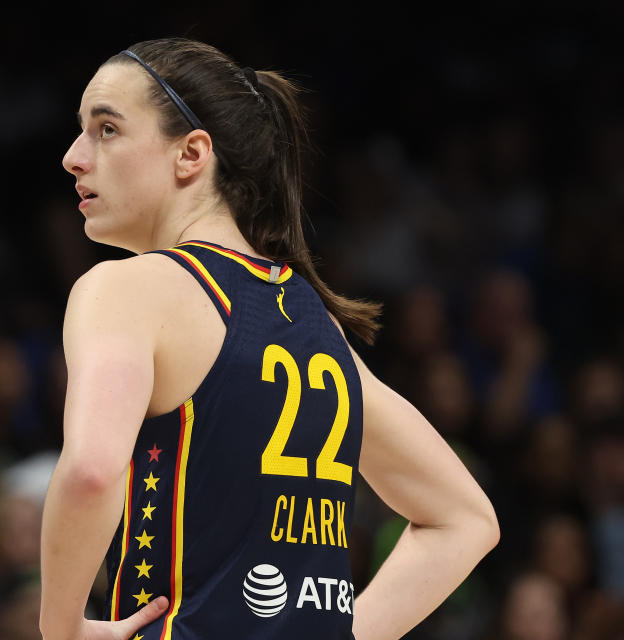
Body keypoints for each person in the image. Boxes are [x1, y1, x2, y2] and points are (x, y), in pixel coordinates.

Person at [39, 38, 499, 640]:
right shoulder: (315, 320)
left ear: (191, 153)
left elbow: (92, 471)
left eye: (106, 129)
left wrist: (60, 627)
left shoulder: (129, 289)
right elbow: (464, 519)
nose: (75, 156)